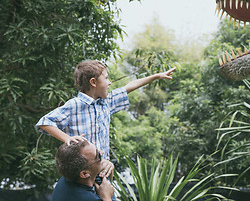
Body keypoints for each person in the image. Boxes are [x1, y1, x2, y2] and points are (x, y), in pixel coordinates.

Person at [35, 59, 176, 178]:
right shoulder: (75, 105)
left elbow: (129, 87)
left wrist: (156, 76)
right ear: (93, 82)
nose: (109, 83)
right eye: (106, 78)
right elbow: (44, 122)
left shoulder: (106, 102)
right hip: (83, 173)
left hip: (104, 171)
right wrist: (67, 138)